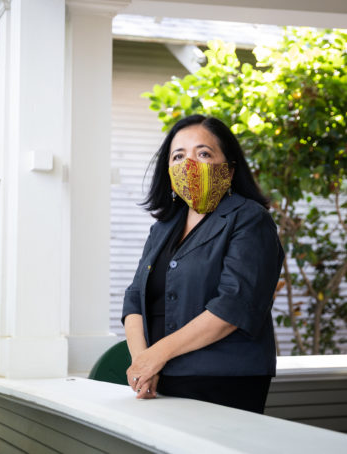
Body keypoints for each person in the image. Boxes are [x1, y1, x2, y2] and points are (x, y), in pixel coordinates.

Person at [121, 114, 284, 414]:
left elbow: (233, 305)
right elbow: (134, 299)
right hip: (160, 380)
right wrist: (142, 362)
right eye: (178, 156)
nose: (189, 164)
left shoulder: (249, 219)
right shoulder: (163, 227)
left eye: (204, 153)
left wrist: (157, 355)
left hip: (225, 380)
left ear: (230, 169)